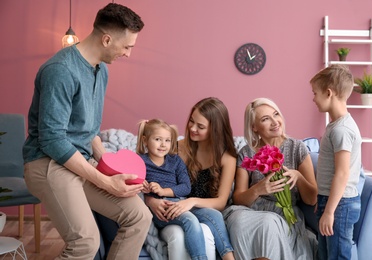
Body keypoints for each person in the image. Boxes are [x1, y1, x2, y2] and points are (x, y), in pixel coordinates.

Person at [22, 3, 152, 259]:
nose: (128, 54)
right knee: (85, 243)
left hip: (79, 161)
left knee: (139, 216)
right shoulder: (60, 70)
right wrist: (104, 181)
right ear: (106, 39)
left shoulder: (101, 70)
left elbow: (89, 130)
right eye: (127, 47)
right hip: (47, 162)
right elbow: (52, 139)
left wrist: (112, 168)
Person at [223, 97, 318, 260]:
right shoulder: (246, 153)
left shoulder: (297, 148)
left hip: (283, 216)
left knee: (268, 222)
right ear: (254, 127)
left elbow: (312, 199)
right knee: (239, 221)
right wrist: (258, 189)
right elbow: (238, 198)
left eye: (276, 114)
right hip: (250, 212)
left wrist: (299, 176)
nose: (275, 122)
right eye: (266, 119)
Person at [145, 97, 237, 260]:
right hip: (171, 207)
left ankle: (229, 257)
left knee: (214, 218)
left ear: (214, 130)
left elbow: (221, 202)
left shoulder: (227, 157)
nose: (192, 128)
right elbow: (149, 174)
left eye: (200, 126)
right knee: (181, 232)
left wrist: (191, 202)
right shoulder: (175, 148)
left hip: (198, 209)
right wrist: (151, 201)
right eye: (191, 121)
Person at [310, 64, 362, 260]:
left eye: (315, 93)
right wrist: (322, 200)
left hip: (341, 205)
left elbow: (342, 173)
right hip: (331, 200)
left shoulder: (342, 130)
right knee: (325, 254)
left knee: (338, 256)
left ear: (329, 93)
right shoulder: (335, 125)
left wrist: (329, 211)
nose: (313, 98)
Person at [137, 119, 208, 259]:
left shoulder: (175, 161)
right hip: (162, 208)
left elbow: (186, 187)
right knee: (190, 221)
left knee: (213, 215)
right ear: (145, 140)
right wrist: (142, 186)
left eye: (167, 140)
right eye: (158, 139)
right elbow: (132, 182)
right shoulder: (140, 161)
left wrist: (163, 190)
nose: (163, 144)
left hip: (180, 203)